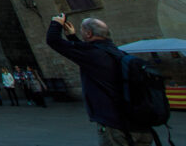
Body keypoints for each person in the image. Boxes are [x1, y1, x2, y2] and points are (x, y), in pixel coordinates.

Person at [47, 14, 154, 145]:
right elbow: (89, 53)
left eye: (82, 31)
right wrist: (72, 37)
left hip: (116, 126)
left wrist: (56, 23)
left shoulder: (92, 54)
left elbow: (53, 41)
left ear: (88, 33)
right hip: (140, 124)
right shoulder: (117, 52)